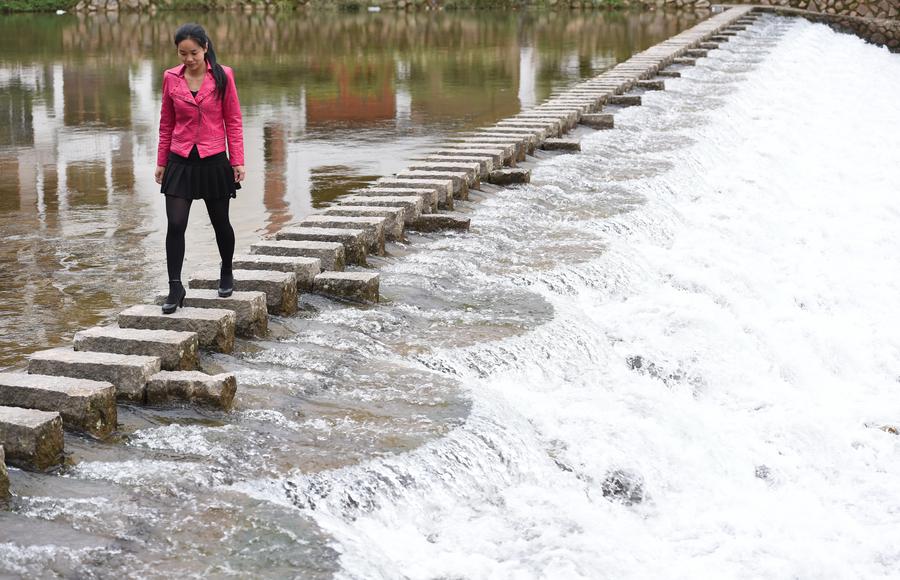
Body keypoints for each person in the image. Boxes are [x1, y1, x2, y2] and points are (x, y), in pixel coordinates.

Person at [156, 23, 245, 314]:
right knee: (176, 224)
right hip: (179, 159)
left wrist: (237, 160)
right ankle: (174, 286)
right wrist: (161, 162)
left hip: (214, 158)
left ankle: (227, 271)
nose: (188, 59)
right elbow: (166, 122)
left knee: (221, 222)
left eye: (193, 52)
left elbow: (233, 120)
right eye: (182, 54)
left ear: (205, 47)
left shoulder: (222, 75)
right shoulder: (170, 78)